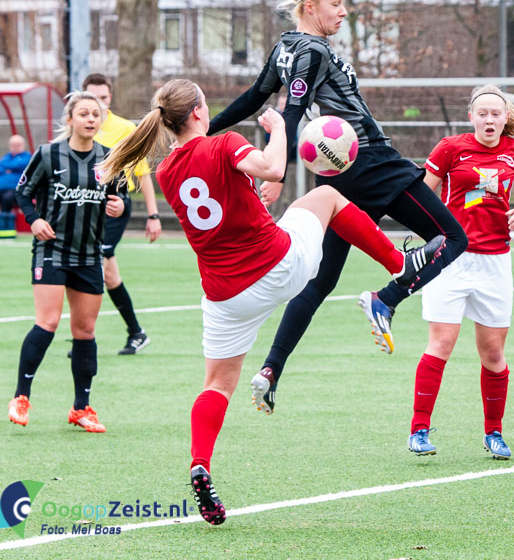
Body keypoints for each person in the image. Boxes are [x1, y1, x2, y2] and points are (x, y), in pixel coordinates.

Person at [100, 78, 433, 525]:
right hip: (276, 267)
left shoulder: (166, 172)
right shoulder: (224, 144)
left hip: (225, 296)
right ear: (198, 112)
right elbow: (274, 169)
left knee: (217, 385)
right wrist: (279, 128)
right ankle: (399, 264)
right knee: (327, 195)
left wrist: (246, 191)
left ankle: (200, 464)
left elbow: (222, 198)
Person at [207, 0, 461, 412]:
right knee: (453, 238)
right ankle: (387, 298)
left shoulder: (287, 46)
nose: (344, 12)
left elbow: (252, 99)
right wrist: (278, 171)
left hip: (340, 175)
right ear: (310, 7)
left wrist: (204, 131)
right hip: (371, 162)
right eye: (336, 4)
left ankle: (270, 370)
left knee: (319, 282)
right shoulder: (312, 50)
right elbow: (292, 112)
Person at [408, 85, 514, 459]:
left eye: (496, 114)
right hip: (451, 259)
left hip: (495, 262)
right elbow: (420, 196)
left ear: (504, 117)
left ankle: (494, 433)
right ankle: (419, 430)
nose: (489, 120)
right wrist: (431, 236)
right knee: (441, 344)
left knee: (494, 353)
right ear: (472, 117)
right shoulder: (450, 148)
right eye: (482, 114)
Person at [6, 92, 126, 433]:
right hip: (52, 250)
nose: (91, 119)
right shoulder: (48, 154)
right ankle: (21, 396)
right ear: (70, 119)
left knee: (85, 331)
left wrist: (119, 206)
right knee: (48, 322)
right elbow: (22, 192)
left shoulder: (109, 158)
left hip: (88, 255)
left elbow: (119, 199)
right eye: (84, 113)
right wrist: (33, 220)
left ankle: (81, 408)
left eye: (95, 114)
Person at [80, 73, 160, 355]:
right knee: (110, 275)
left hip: (116, 206)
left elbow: (143, 173)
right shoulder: (79, 126)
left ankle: (84, 337)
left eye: (103, 97)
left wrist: (153, 215)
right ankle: (136, 332)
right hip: (87, 206)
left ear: (110, 98)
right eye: (92, 97)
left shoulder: (125, 128)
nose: (99, 103)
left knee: (94, 265)